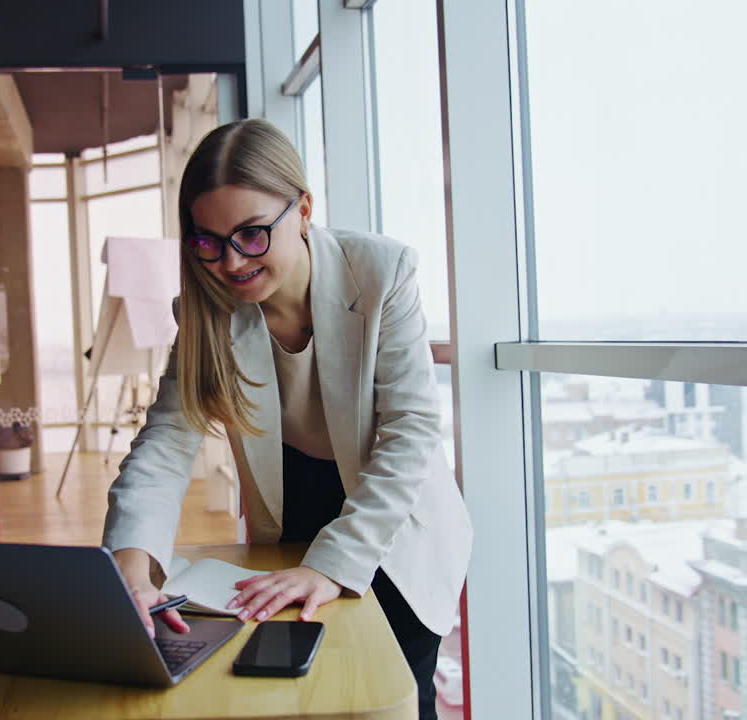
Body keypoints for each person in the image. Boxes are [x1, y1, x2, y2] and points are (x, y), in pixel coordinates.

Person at [103, 118, 472, 719]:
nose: (228, 261)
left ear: (302, 208)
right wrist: (131, 568)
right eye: (207, 240)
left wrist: (332, 566)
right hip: (295, 505)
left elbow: (409, 435)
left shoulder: (381, 272)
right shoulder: (205, 308)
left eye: (250, 234)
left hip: (393, 519)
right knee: (300, 695)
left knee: (395, 697)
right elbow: (167, 441)